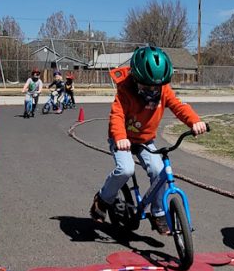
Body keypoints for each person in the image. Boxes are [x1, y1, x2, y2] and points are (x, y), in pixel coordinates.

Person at [89, 45, 208, 235]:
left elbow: (179, 106)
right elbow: (117, 116)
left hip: (145, 140)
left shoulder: (163, 90)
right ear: (135, 77)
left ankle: (158, 212)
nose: (152, 90)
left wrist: (194, 121)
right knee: (126, 169)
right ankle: (103, 199)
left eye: (156, 86)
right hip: (123, 139)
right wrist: (120, 138)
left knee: (160, 171)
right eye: (147, 85)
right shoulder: (125, 91)